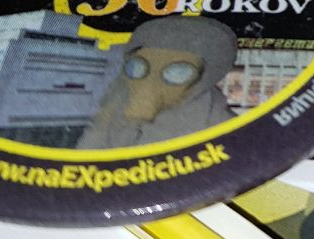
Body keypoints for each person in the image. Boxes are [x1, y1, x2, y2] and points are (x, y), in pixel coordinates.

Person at [78, 14, 237, 148]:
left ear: (202, 81)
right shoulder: (113, 109)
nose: (148, 85)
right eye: (137, 67)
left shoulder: (228, 132)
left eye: (178, 73)